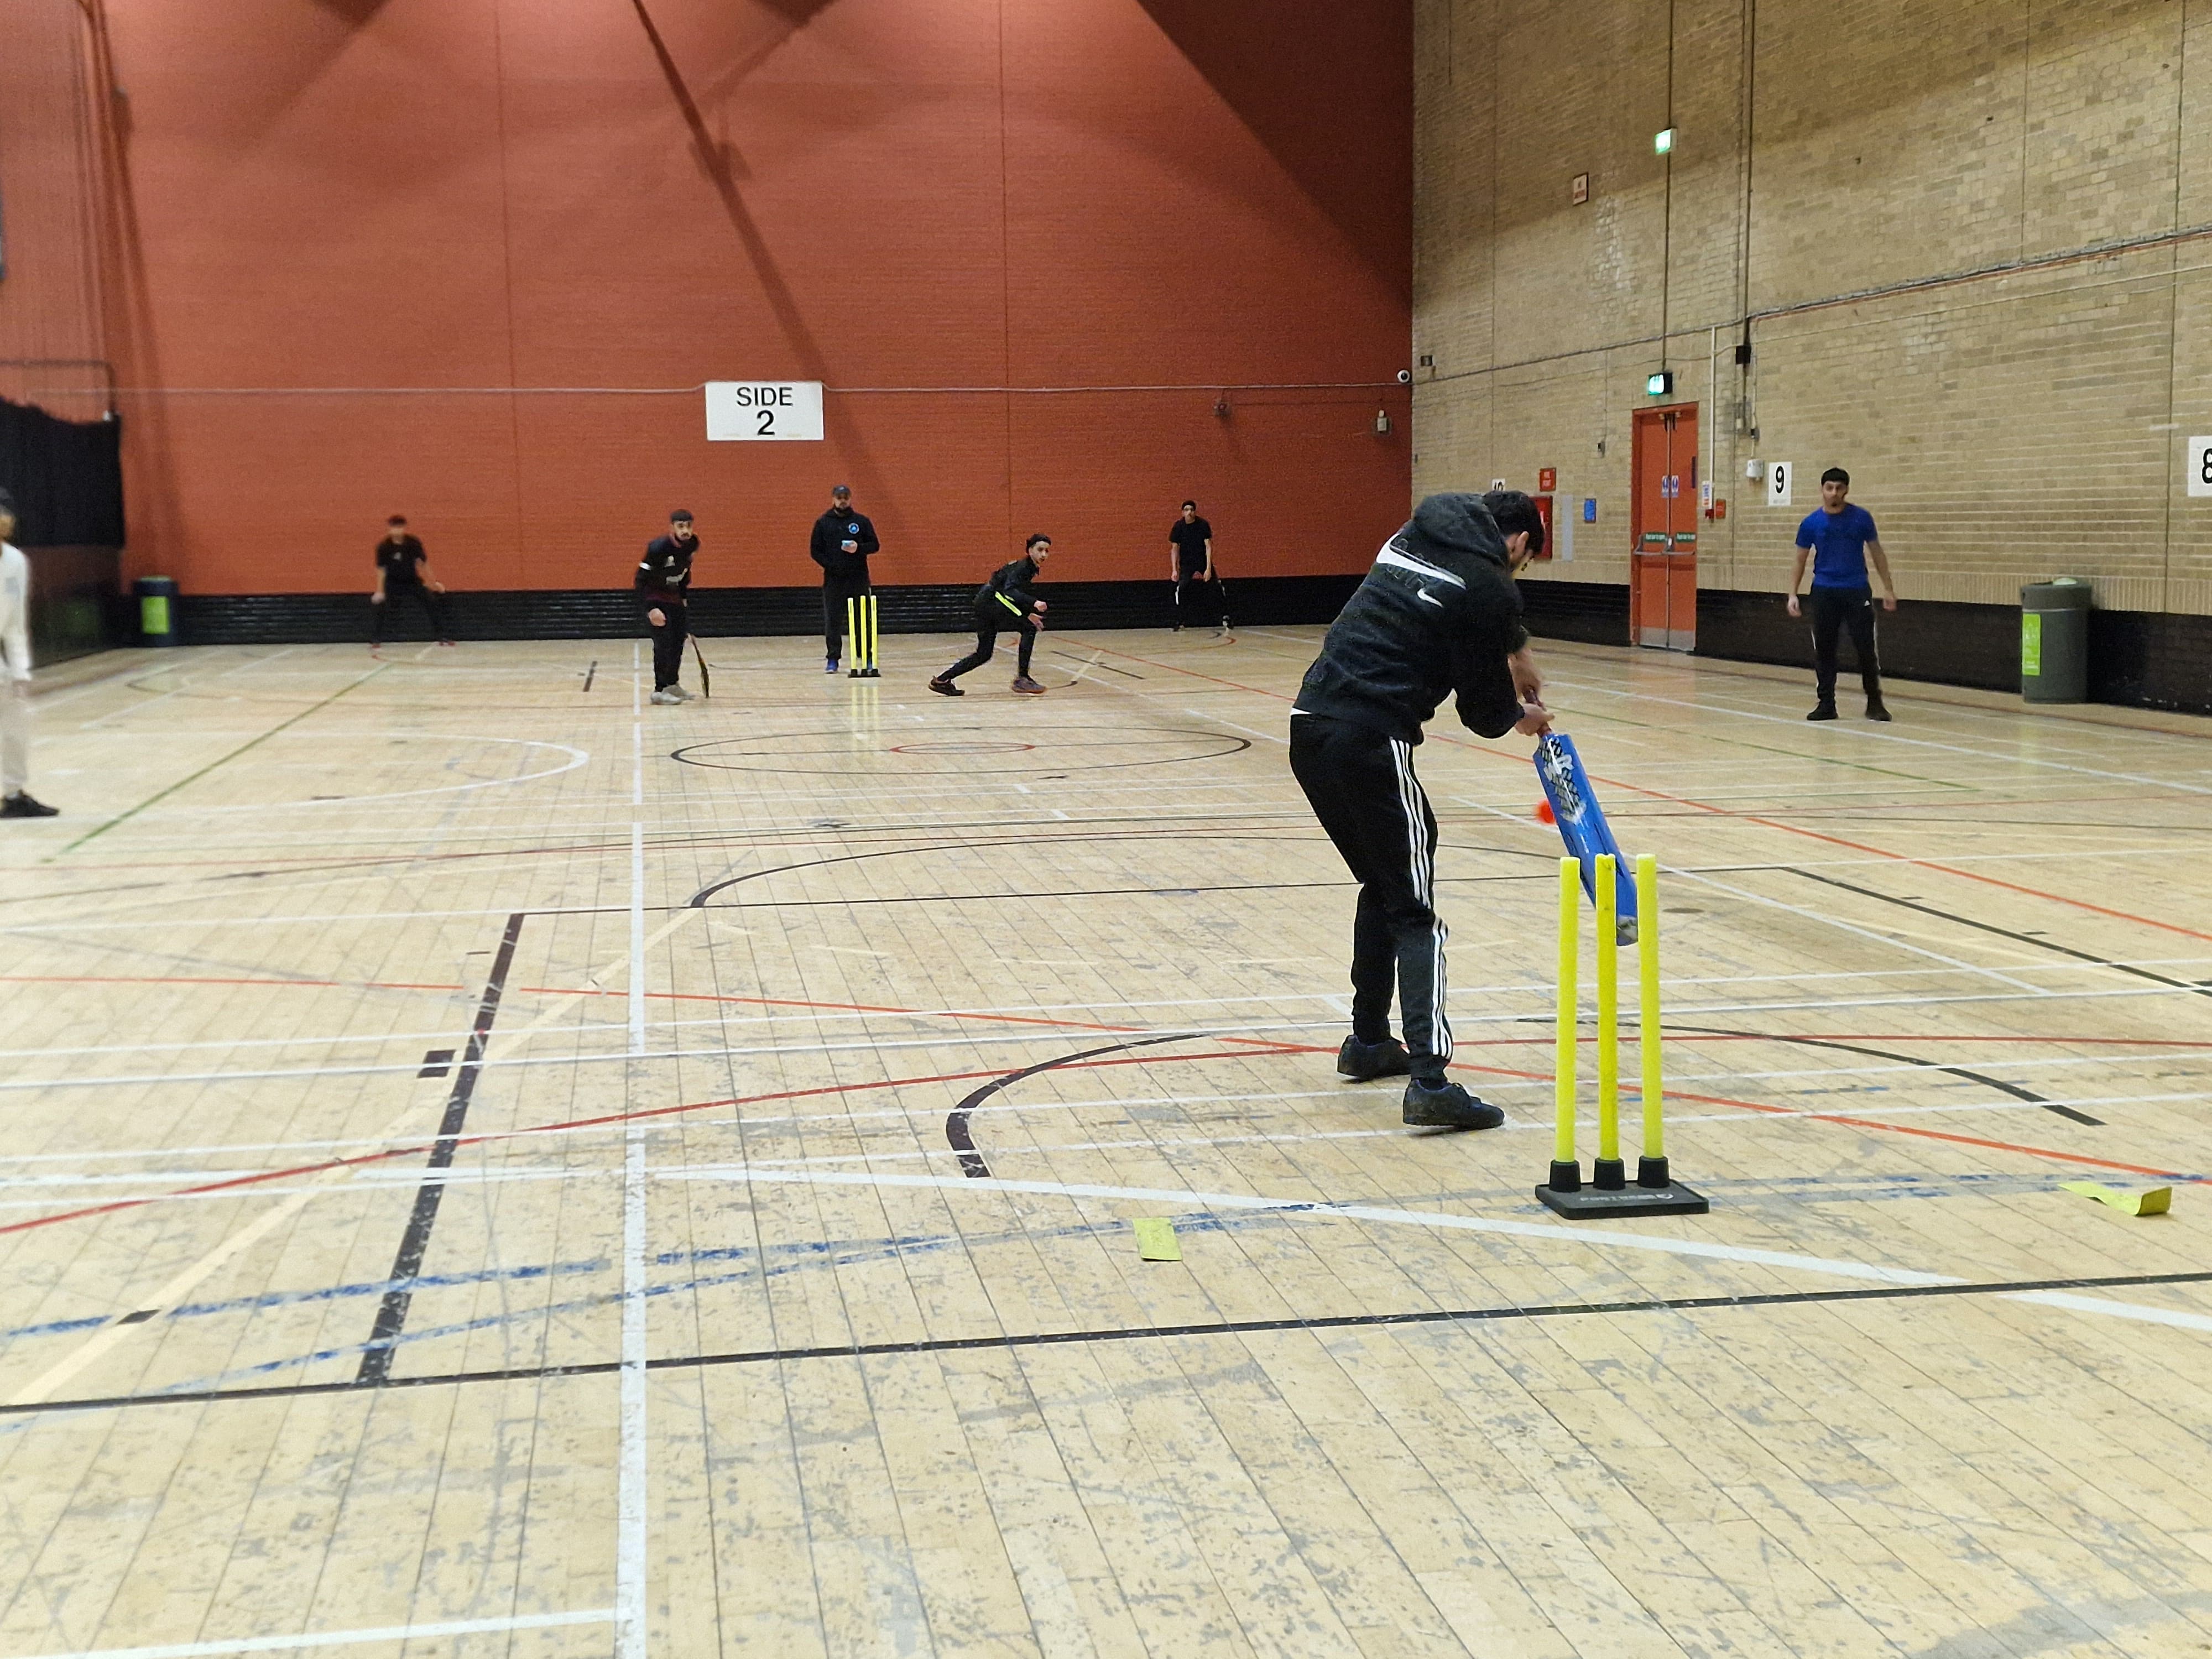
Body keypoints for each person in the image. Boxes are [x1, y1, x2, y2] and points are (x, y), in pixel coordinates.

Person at [1289, 491, 1553, 1130]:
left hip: (1309, 726)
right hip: (1372, 739)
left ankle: (1369, 1042)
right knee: (1417, 913)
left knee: (1384, 882)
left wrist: (1513, 651)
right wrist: (1524, 714)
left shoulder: (1413, 533)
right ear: (1518, 543)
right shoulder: (1491, 588)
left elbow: (1465, 603)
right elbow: (1482, 715)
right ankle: (1430, 1080)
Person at [1786, 467, 1896, 721]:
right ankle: (1826, 703)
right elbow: (1800, 560)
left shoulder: (1861, 519)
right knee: (1825, 650)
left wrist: (1888, 588)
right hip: (1825, 592)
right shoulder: (1811, 523)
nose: (1834, 493)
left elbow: (1877, 553)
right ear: (1822, 490)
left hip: (1857, 591)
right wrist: (1793, 594)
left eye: (1839, 488)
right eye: (1829, 488)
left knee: (1866, 648)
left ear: (1846, 490)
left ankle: (1875, 703)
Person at [928, 534, 1052, 696]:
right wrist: (1033, 603)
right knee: (1029, 628)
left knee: (984, 654)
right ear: (1030, 550)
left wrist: (1027, 613)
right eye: (1040, 550)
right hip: (992, 603)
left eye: (1047, 551)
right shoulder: (1024, 567)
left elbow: (1009, 593)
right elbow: (1009, 592)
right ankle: (1022, 678)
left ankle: (942, 680)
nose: (1044, 555)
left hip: (986, 603)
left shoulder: (1025, 567)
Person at [0, 490, 56, 818]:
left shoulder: (16, 561)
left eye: (8, 512)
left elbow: (15, 624)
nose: (6, 518)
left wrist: (21, 671)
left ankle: (14, 794)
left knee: (15, 728)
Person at [811, 484, 880, 673]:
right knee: (833, 620)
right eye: (839, 497)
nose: (843, 500)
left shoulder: (862, 521)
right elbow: (815, 551)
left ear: (850, 499)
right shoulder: (823, 523)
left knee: (862, 620)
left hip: (858, 579)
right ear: (833, 499)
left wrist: (858, 548)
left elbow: (875, 545)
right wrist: (831, 565)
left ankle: (866, 656)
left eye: (846, 497)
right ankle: (833, 659)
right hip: (834, 581)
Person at [637, 509, 698, 705]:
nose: (685, 530)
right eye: (681, 526)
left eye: (688, 525)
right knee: (663, 645)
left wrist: (684, 598)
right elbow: (640, 580)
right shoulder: (658, 548)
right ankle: (659, 690)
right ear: (672, 527)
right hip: (656, 599)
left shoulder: (693, 544)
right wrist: (651, 608)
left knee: (677, 643)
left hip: (675, 600)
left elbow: (685, 573)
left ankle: (672, 685)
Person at [369, 515, 453, 646]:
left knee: (431, 602)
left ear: (404, 528)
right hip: (392, 582)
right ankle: (376, 639)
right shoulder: (384, 547)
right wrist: (380, 591)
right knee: (382, 607)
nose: (397, 530)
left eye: (400, 527)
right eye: (394, 528)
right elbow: (381, 569)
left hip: (412, 581)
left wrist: (433, 583)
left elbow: (423, 563)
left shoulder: (413, 543)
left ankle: (443, 636)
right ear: (389, 529)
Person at [1168, 499, 1222, 634]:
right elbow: (1174, 549)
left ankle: (1225, 616)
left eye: (1192, 510)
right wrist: (1174, 569)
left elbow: (1208, 546)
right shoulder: (1178, 527)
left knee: (1215, 586)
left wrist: (1208, 568)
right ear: (1183, 512)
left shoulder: (1202, 525)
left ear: (1195, 512)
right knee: (1182, 588)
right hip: (1187, 564)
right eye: (1186, 510)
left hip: (1202, 562)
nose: (1189, 513)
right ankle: (1179, 620)